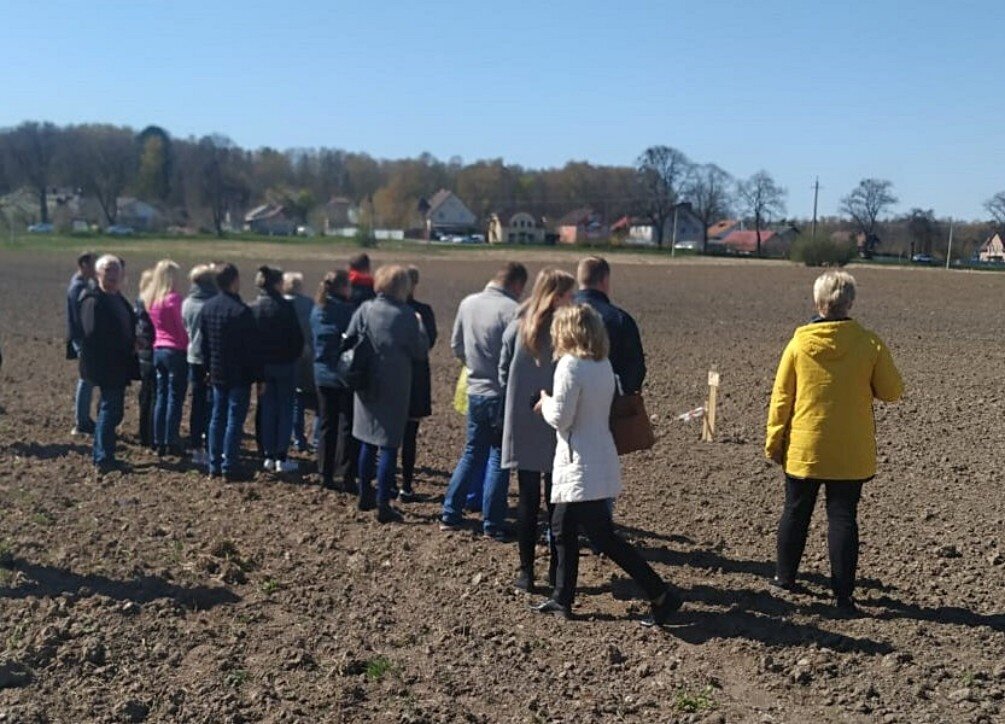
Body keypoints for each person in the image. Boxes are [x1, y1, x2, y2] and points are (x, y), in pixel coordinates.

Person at [531, 304, 682, 624]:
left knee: (599, 537)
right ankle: (562, 597)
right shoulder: (602, 365)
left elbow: (562, 417)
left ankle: (662, 595)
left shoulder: (570, 366)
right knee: (564, 529)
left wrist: (544, 403)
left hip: (578, 463)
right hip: (596, 458)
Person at [765, 270, 903, 616]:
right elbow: (892, 391)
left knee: (796, 511)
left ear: (817, 303)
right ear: (850, 303)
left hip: (805, 447)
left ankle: (785, 578)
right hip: (850, 450)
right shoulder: (868, 343)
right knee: (843, 518)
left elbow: (782, 398)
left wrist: (774, 441)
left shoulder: (798, 344)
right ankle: (844, 596)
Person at [500, 268, 575, 593]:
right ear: (557, 296)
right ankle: (555, 571)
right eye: (569, 295)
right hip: (553, 422)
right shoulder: (564, 334)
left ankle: (525, 571)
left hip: (523, 422)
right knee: (557, 502)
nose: (573, 300)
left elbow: (503, 372)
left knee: (528, 501)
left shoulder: (518, 328)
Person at [440, 262, 527, 540]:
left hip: (475, 390)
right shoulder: (512, 311)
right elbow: (518, 356)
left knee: (471, 453)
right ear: (516, 284)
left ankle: (450, 513)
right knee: (499, 458)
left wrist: (475, 368)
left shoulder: (468, 303)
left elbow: (456, 345)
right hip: (501, 394)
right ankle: (492, 523)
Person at [346, 265, 429, 523]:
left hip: (366, 382)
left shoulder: (365, 309)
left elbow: (349, 337)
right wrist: (420, 326)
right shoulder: (407, 315)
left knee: (366, 440)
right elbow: (420, 350)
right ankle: (383, 504)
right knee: (389, 444)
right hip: (395, 385)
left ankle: (364, 494)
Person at [78, 255, 139, 473]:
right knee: (110, 410)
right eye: (107, 270)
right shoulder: (93, 300)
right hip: (106, 366)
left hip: (119, 365)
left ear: (122, 274)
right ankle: (103, 458)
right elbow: (93, 335)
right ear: (98, 274)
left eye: (115, 270)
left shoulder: (119, 299)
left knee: (114, 411)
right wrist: (123, 346)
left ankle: (104, 452)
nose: (112, 274)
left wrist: (133, 342)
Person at [200, 263, 259, 481]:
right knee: (234, 420)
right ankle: (229, 464)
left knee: (217, 417)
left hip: (217, 370)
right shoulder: (241, 311)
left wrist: (207, 368)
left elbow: (204, 344)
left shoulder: (208, 307)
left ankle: (214, 463)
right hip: (239, 374)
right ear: (234, 281)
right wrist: (255, 375)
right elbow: (251, 348)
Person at [251, 266, 304, 473]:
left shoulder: (255, 307)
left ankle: (268, 454)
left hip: (263, 367)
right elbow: (297, 339)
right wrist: (292, 357)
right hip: (285, 365)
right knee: (285, 410)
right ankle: (281, 455)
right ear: (276, 283)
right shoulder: (286, 307)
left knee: (268, 409)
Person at [310, 270, 356, 491]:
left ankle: (324, 472)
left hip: (321, 374)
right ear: (343, 287)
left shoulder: (317, 309)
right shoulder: (347, 311)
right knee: (347, 425)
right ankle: (346, 473)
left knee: (327, 424)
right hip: (343, 374)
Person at [573, 256, 646, 395]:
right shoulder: (620, 320)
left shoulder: (559, 314)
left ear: (579, 278)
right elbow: (635, 371)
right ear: (605, 280)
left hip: (562, 402)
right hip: (607, 406)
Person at [144, 259, 190, 456]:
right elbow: (181, 328)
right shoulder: (174, 300)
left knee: (161, 396)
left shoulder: (153, 300)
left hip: (158, 350)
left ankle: (158, 439)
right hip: (175, 351)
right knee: (174, 398)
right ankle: (171, 439)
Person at [399, 265, 437, 501]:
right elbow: (429, 342)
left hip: (392, 377)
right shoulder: (422, 311)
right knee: (409, 436)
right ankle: (406, 485)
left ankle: (388, 483)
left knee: (388, 437)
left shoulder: (385, 310)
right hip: (415, 378)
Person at [182, 264, 217, 465]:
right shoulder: (211, 304)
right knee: (211, 403)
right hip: (209, 358)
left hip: (192, 356)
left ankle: (195, 442)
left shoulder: (187, 303)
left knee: (197, 402)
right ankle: (209, 441)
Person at [283, 271, 316, 453]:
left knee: (293, 401)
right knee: (304, 398)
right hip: (306, 354)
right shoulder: (309, 304)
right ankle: (307, 440)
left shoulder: (281, 303)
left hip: (286, 355)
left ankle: (295, 437)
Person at [67, 252, 96, 436]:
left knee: (87, 379)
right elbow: (79, 319)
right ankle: (81, 422)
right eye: (93, 264)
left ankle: (84, 418)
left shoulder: (83, 284)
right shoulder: (77, 287)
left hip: (81, 338)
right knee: (86, 379)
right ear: (84, 264)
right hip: (82, 338)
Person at [134, 269, 157, 449]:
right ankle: (150, 435)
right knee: (152, 395)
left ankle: (144, 433)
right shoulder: (152, 303)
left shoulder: (138, 301)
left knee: (145, 395)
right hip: (151, 350)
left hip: (142, 352)